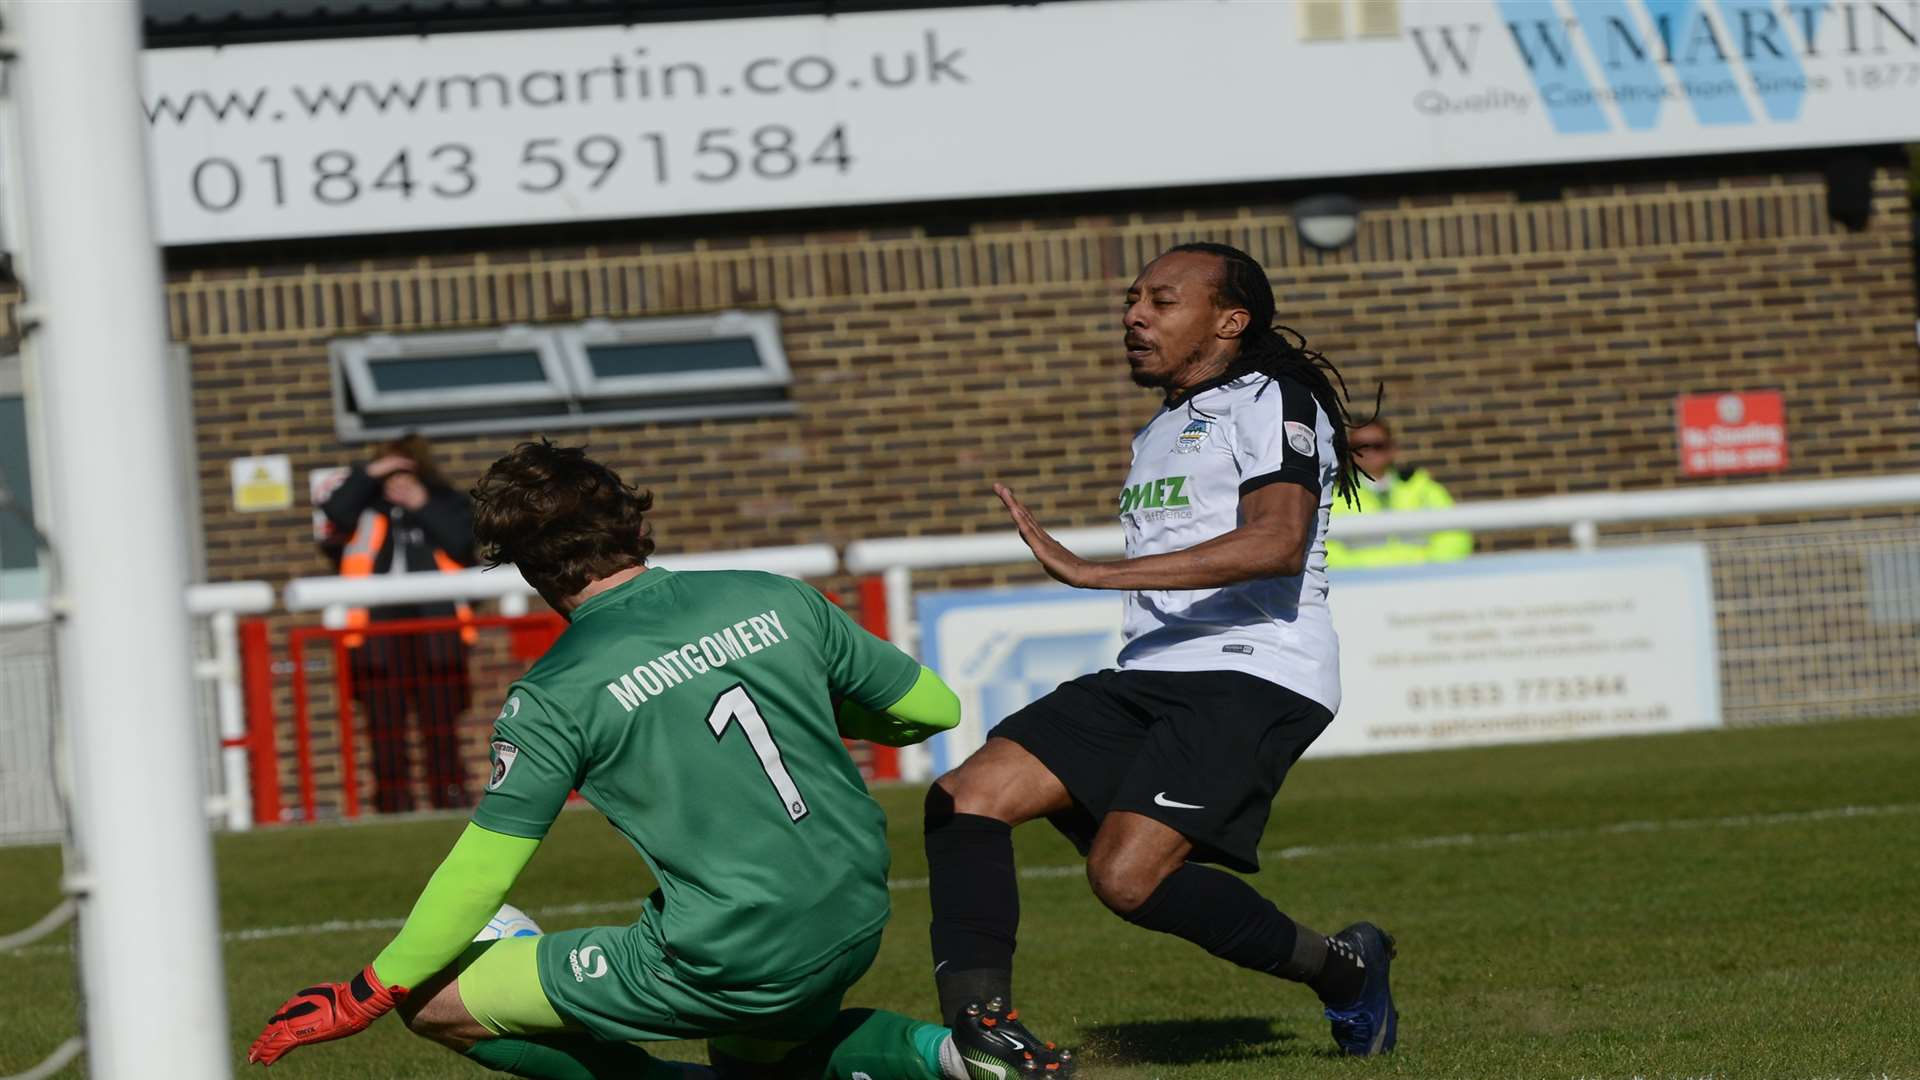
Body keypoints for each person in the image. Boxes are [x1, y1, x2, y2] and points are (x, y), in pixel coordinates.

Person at [250, 441, 1073, 1080]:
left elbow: (481, 871)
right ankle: (963, 1058)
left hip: (732, 949)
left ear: (528, 570)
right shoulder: (771, 594)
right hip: (855, 910)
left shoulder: (552, 695)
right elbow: (930, 710)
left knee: (433, 1000)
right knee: (764, 1057)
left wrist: (364, 991)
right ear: (638, 527)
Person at [923, 243, 1399, 1058]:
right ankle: (981, 1030)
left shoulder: (1271, 397)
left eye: (1162, 301)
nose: (1134, 316)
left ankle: (1348, 973)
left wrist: (1094, 570)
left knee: (1125, 880)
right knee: (964, 797)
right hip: (1151, 672)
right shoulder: (1162, 427)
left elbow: (1277, 543)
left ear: (1230, 319)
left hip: (1252, 670)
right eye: (1132, 299)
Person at [319, 433, 478, 812]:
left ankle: (449, 796)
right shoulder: (363, 508)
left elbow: (463, 542)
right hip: (376, 634)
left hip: (437, 631)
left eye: (403, 470)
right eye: (387, 472)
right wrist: (370, 475)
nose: (396, 481)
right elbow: (334, 512)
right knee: (384, 726)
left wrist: (420, 503)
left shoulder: (447, 502)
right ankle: (393, 801)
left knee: (440, 723)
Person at [1324, 418, 1471, 569]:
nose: (1369, 452)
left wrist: (1431, 570)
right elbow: (1328, 545)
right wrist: (1365, 575)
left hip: (1424, 580)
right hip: (1362, 585)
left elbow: (1454, 534)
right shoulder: (1334, 495)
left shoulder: (1423, 487)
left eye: (1378, 446)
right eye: (1360, 446)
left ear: (1392, 449)